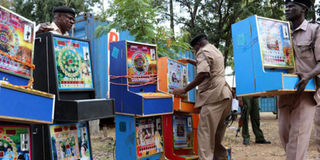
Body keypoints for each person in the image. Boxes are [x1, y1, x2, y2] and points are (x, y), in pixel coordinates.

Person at [173, 34, 232, 160]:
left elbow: (204, 73)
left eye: (195, 50)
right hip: (225, 94)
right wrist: (190, 61)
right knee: (217, 135)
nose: (196, 52)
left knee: (205, 134)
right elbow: (210, 67)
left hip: (213, 96)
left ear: (198, 46)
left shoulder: (202, 52)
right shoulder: (214, 50)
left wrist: (184, 89)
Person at [279, 0, 320, 159]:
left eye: (291, 6)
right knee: (285, 135)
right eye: (286, 5)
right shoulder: (280, 32)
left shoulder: (314, 30)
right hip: (284, 92)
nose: (287, 9)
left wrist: (309, 75)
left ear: (303, 9)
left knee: (297, 140)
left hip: (306, 93)